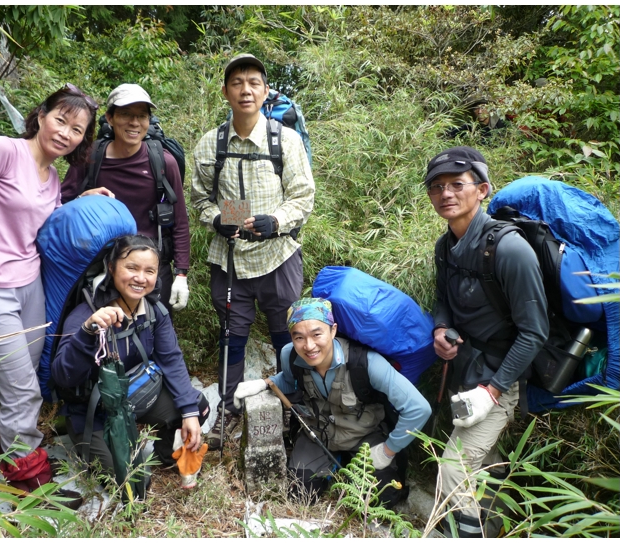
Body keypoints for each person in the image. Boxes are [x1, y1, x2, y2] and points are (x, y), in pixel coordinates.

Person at [0, 84, 107, 505]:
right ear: (41, 115)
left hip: (28, 285)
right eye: (60, 120)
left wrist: (76, 202)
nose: (66, 133)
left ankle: (15, 457)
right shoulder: (2, 151)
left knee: (27, 381)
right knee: (21, 389)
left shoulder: (52, 175)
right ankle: (29, 477)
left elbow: (36, 222)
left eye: (77, 130)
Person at [191, 53, 316, 450]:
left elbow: (302, 196)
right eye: (236, 83)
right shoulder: (212, 143)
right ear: (226, 91)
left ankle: (293, 406)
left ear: (265, 91)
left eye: (253, 82)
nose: (245, 89)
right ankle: (226, 412)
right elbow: (199, 200)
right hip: (228, 259)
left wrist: (275, 221)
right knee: (232, 335)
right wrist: (218, 221)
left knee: (286, 334)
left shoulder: (285, 139)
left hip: (278, 256)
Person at [426, 146, 549, 536]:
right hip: (467, 370)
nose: (446, 194)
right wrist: (440, 331)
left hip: (503, 376)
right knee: (487, 463)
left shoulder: (509, 249)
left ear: (482, 190)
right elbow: (443, 300)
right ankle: (496, 528)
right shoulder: (445, 247)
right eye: (437, 187)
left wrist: (494, 391)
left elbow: (534, 332)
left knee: (454, 467)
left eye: (457, 185)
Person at [233, 297, 431, 505]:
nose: (309, 346)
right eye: (298, 337)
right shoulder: (289, 356)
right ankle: (333, 462)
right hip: (318, 435)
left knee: (381, 498)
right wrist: (264, 383)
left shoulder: (365, 362)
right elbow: (288, 381)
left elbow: (418, 408)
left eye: (317, 334)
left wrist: (388, 450)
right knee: (299, 494)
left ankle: (347, 461)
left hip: (363, 436)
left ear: (333, 330)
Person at [51, 235, 210, 488]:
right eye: (132, 268)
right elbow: (63, 376)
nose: (140, 278)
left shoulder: (154, 311)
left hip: (134, 396)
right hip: (93, 412)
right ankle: (85, 441)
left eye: (149, 271)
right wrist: (88, 331)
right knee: (134, 483)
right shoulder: (86, 314)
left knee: (198, 406)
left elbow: (171, 360)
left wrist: (189, 413)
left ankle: (166, 453)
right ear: (111, 267)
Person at [61, 84, 190, 314]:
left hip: (149, 270)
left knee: (154, 339)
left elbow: (180, 222)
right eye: (126, 115)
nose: (134, 123)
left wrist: (181, 274)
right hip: (98, 266)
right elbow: (59, 207)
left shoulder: (163, 162)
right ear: (110, 118)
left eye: (142, 116)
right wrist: (82, 198)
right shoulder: (90, 158)